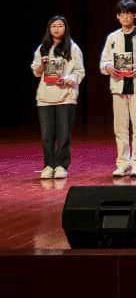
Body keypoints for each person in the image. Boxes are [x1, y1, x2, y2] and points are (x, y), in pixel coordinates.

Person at [99, 0, 136, 178]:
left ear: (135, 15)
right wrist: (109, 68)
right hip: (119, 87)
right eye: (122, 14)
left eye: (129, 14)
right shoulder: (112, 37)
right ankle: (122, 163)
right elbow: (104, 61)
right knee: (120, 128)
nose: (125, 17)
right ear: (118, 17)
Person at [31, 15, 85, 179]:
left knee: (63, 134)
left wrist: (68, 79)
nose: (56, 29)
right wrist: (41, 64)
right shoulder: (42, 48)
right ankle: (48, 165)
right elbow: (36, 72)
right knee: (47, 135)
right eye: (53, 26)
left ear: (65, 28)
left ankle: (61, 165)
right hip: (45, 97)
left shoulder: (73, 47)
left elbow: (80, 71)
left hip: (66, 96)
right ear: (49, 29)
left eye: (60, 25)